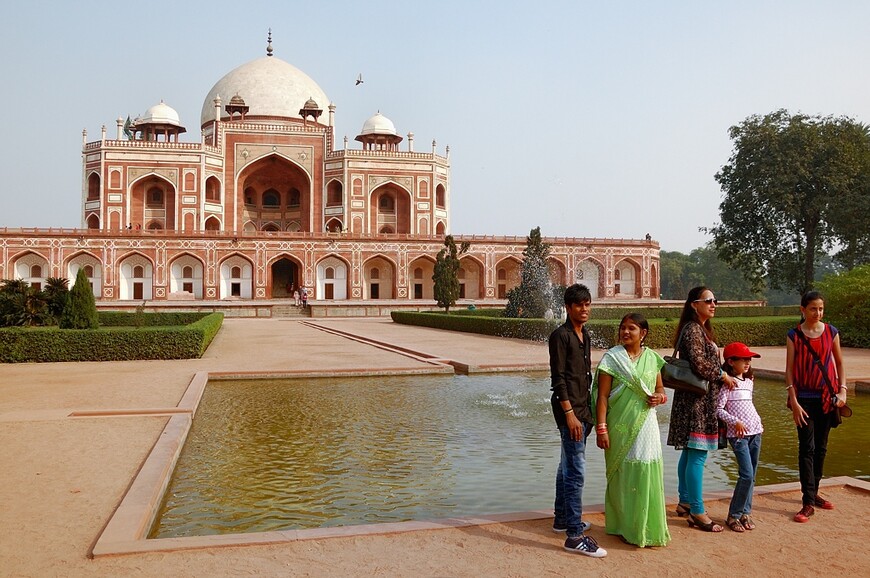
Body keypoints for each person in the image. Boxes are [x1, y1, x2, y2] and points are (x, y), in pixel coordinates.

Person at [594, 313, 670, 547]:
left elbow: (659, 388)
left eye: (632, 328)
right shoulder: (612, 359)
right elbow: (603, 396)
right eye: (623, 328)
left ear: (643, 333)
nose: (625, 332)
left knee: (646, 471)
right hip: (619, 425)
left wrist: (660, 396)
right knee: (622, 473)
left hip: (646, 426)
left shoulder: (653, 359)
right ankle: (622, 525)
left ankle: (645, 525)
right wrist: (601, 428)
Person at [666, 286, 735, 533]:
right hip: (697, 403)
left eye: (715, 300)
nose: (714, 304)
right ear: (694, 304)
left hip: (695, 400)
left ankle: (685, 500)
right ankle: (697, 510)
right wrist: (722, 374)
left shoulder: (699, 329)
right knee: (698, 454)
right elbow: (698, 364)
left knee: (689, 453)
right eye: (709, 300)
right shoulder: (694, 329)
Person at [548, 283, 607, 558]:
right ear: (568, 308)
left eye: (587, 304)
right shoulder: (560, 336)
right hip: (569, 413)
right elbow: (558, 380)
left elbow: (585, 377)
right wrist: (569, 414)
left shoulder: (586, 336)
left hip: (583, 411)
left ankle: (562, 519)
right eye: (579, 305)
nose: (584, 309)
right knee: (576, 473)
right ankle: (574, 535)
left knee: (566, 467)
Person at [785, 290, 847, 523]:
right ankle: (807, 501)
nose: (817, 312)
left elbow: (839, 363)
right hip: (804, 399)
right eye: (813, 308)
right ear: (803, 310)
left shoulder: (831, 332)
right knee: (806, 449)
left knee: (821, 448)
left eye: (820, 308)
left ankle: (814, 492)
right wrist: (793, 400)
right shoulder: (794, 335)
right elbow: (789, 370)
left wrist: (843, 390)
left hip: (827, 398)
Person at [716, 342, 763, 533]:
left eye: (749, 359)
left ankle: (746, 513)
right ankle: (733, 515)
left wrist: (758, 422)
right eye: (743, 359)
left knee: (752, 476)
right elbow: (718, 409)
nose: (747, 362)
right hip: (738, 436)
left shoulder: (749, 382)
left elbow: (749, 405)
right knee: (747, 474)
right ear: (731, 361)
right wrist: (734, 421)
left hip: (756, 432)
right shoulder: (728, 384)